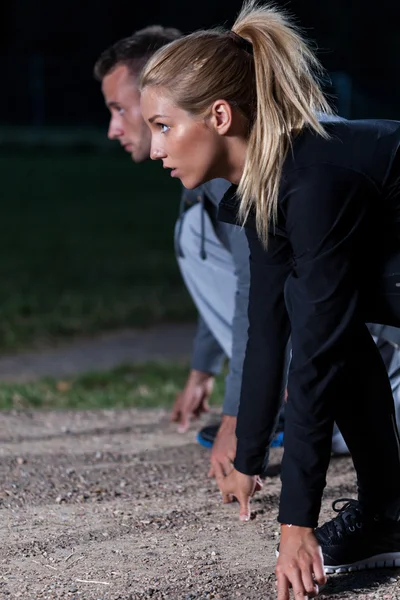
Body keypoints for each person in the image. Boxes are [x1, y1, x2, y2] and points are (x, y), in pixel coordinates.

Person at [139, 1, 400, 598]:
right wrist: (248, 454)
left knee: (329, 327)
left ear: (220, 115)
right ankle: (389, 514)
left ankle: (389, 509)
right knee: (318, 313)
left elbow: (313, 359)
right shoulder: (268, 182)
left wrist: (296, 524)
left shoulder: (312, 187)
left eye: (163, 126)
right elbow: (266, 327)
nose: (156, 149)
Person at [94, 25, 400, 481]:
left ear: (214, 113)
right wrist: (211, 383)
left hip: (376, 343)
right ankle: (381, 505)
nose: (116, 127)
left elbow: (266, 306)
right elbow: (261, 307)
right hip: (356, 321)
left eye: (127, 109)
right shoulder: (237, 170)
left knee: (312, 318)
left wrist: (241, 426)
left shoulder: (285, 173)